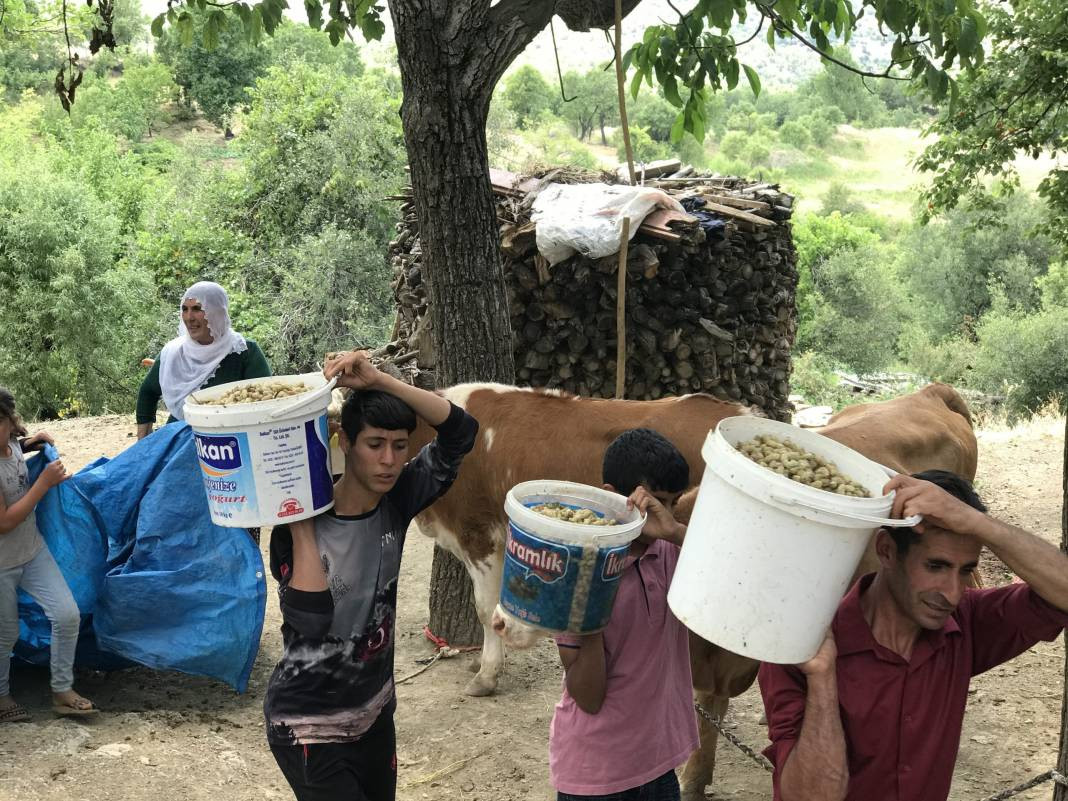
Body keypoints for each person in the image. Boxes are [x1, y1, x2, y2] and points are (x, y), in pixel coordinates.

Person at [758, 469, 1068, 801]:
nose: (952, 593)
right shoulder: (802, 644)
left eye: (966, 570)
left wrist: (977, 523)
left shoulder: (967, 622)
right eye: (935, 566)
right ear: (887, 551)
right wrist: (822, 678)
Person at [263, 350, 478, 801]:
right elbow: (311, 619)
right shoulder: (296, 529)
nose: (388, 461)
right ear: (344, 441)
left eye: (400, 446)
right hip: (307, 727)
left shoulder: (397, 502)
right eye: (374, 444)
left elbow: (461, 431)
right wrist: (301, 512)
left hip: (375, 716)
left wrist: (380, 380)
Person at [548, 428, 697, 801]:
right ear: (615, 497)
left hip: (660, 766)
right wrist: (593, 611)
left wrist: (676, 531)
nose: (663, 515)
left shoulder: (672, 551)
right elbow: (588, 696)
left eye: (673, 504)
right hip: (596, 776)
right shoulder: (576, 570)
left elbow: (744, 572)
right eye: (657, 502)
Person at [0, 388, 97, 722]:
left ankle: (61, 690)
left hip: (31, 551)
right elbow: (4, 522)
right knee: (6, 633)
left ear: (10, 422)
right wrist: (43, 483)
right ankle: (1, 697)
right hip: (1, 566)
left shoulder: (11, 444)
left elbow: (15, 449)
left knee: (67, 614)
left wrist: (32, 443)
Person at [136, 281, 271, 440]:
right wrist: (144, 445)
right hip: (178, 440)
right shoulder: (173, 353)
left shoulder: (244, 352)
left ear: (217, 312)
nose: (189, 317)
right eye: (184, 309)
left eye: (197, 309)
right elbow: (148, 392)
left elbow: (265, 402)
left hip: (230, 442)